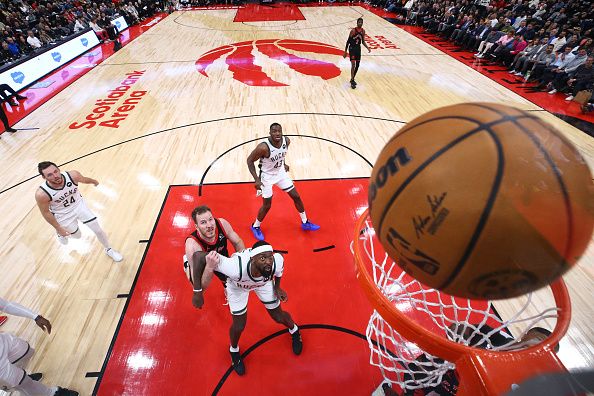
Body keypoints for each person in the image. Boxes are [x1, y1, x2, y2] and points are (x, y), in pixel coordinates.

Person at [191, 240, 303, 376]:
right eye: (263, 258)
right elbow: (198, 256)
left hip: (263, 284)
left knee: (278, 316)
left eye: (270, 257)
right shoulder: (234, 266)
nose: (268, 261)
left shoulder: (275, 262)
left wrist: (277, 287)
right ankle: (233, 350)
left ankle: (295, 330)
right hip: (238, 287)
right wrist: (197, 291)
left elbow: (280, 262)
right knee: (239, 325)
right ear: (252, 258)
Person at [34, 162, 123, 262]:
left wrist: (94, 181)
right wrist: (58, 228)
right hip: (63, 215)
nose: (55, 176)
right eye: (50, 175)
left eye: (56, 171)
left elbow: (84, 179)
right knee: (77, 236)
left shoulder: (72, 176)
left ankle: (109, 249)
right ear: (43, 177)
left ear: (59, 169)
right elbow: (45, 213)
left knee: (98, 230)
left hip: (79, 206)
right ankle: (60, 234)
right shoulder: (42, 194)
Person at [246, 123, 320, 241]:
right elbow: (249, 161)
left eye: (279, 131)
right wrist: (256, 179)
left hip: (280, 173)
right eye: (274, 131)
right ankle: (255, 226)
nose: (277, 133)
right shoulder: (263, 147)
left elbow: (282, 153)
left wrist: (283, 163)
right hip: (267, 177)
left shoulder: (286, 141)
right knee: (267, 205)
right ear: (269, 133)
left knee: (296, 196)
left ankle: (305, 222)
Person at [0, 297, 79, 395]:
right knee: (23, 384)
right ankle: (50, 393)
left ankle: (22, 378)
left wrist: (35, 317)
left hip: (3, 342)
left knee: (26, 352)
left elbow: (5, 305)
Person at [183, 205, 245, 295]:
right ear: (196, 227)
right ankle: (186, 264)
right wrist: (209, 267)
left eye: (210, 219)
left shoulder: (222, 224)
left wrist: (242, 264)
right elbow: (200, 287)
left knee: (227, 277)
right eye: (203, 222)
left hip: (222, 255)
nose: (209, 225)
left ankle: (227, 289)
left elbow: (237, 242)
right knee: (196, 284)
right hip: (203, 262)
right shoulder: (193, 245)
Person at [343, 17, 371, 89]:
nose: (360, 23)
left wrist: (367, 47)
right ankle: (352, 81)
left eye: (361, 22)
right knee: (353, 64)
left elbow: (363, 41)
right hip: (352, 48)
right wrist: (345, 51)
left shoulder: (363, 31)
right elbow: (348, 41)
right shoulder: (353, 30)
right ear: (357, 23)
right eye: (359, 22)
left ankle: (352, 78)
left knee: (357, 65)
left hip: (358, 49)